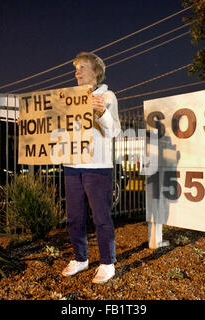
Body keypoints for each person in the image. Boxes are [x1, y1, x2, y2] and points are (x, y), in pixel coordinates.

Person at [61, 52, 121, 284]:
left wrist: (102, 112)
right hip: (72, 165)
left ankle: (107, 262)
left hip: (97, 166)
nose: (77, 71)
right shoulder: (66, 99)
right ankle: (80, 258)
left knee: (101, 217)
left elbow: (114, 131)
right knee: (74, 217)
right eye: (76, 68)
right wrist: (29, 124)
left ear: (96, 72)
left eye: (83, 67)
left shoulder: (107, 96)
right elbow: (55, 127)